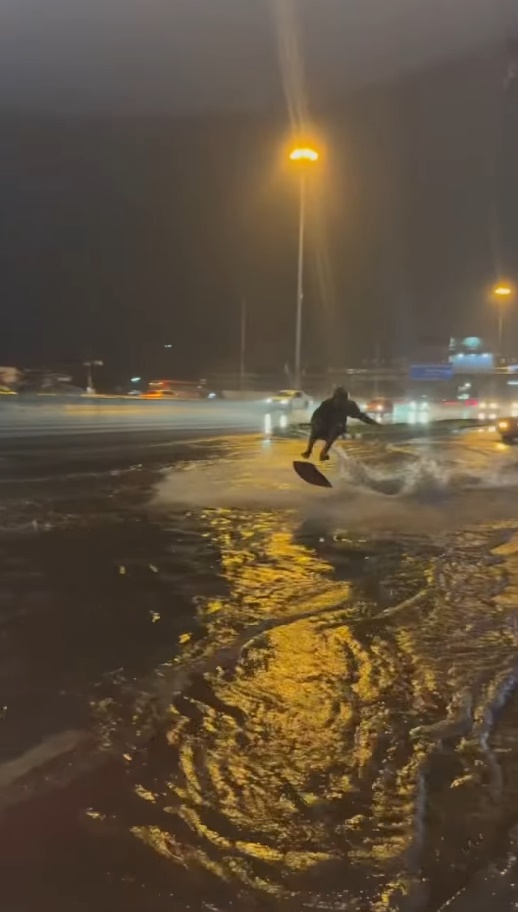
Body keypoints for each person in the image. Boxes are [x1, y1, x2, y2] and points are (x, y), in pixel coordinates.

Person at [301, 386, 378, 461]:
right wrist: (316, 423)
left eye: (343, 401)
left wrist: (373, 423)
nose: (340, 403)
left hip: (337, 425)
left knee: (335, 430)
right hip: (323, 423)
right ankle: (308, 451)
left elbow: (361, 416)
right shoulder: (326, 404)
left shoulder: (350, 406)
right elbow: (316, 416)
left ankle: (323, 453)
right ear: (334, 398)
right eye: (339, 400)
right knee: (316, 431)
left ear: (346, 400)